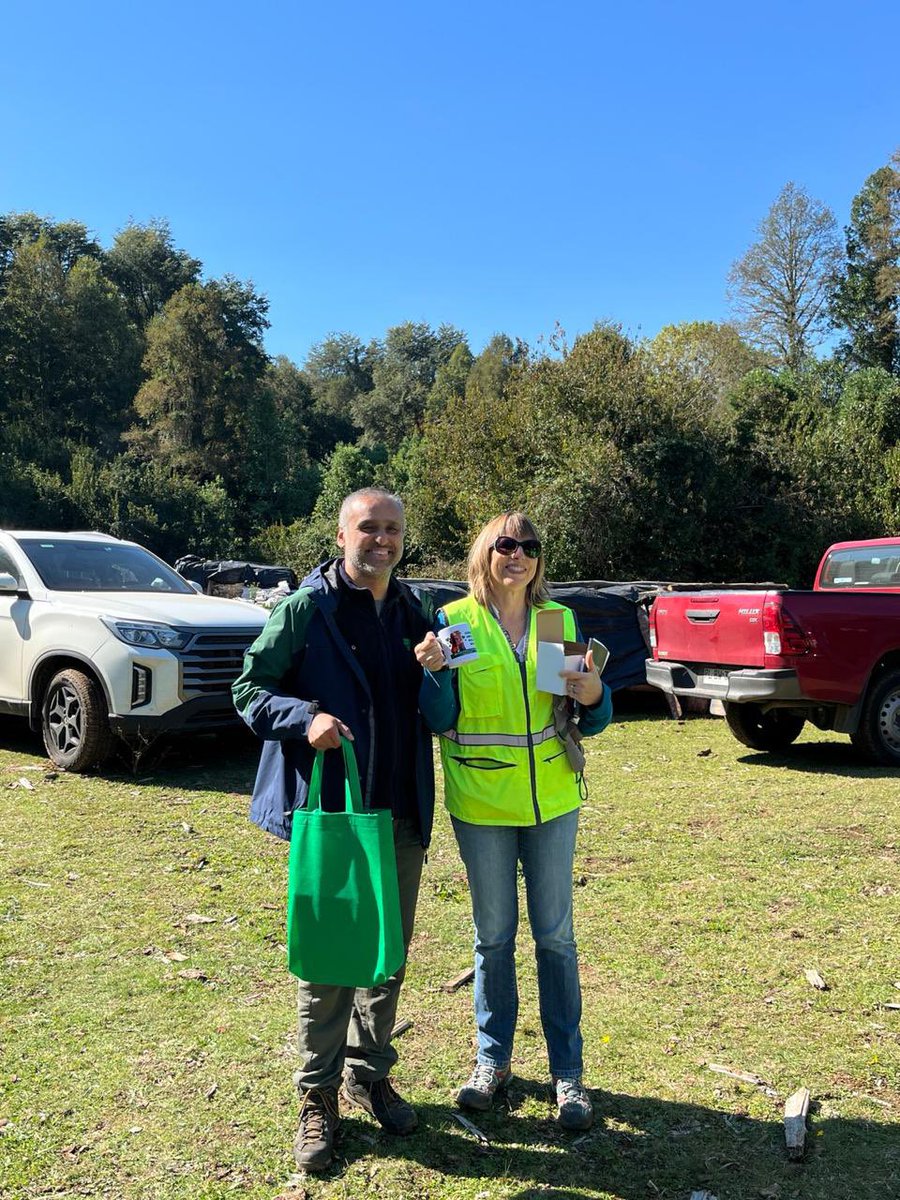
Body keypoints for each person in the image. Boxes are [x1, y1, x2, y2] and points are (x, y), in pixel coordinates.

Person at [232, 488, 435, 1173]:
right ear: (342, 533)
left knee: (387, 952)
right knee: (328, 960)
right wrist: (303, 719)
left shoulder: (415, 613)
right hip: (335, 814)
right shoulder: (307, 608)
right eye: (368, 528)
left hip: (400, 810)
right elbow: (249, 690)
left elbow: (439, 707)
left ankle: (370, 1072)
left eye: (392, 530)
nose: (381, 540)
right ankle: (317, 1098)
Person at [414, 512, 612, 1130]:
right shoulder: (454, 623)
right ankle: (491, 1061)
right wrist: (432, 673)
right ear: (485, 555)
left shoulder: (558, 624)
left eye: (529, 546)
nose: (518, 555)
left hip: (552, 801)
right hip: (481, 806)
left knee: (555, 937)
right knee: (493, 937)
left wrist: (593, 696)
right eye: (506, 545)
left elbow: (593, 719)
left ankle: (568, 1076)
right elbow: (438, 716)